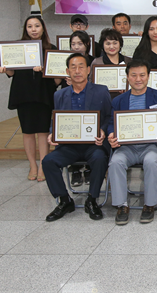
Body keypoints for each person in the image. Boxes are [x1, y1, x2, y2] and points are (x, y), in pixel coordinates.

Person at [41, 53, 111, 221]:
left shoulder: (101, 91)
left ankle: (92, 200)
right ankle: (65, 200)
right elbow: (55, 120)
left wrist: (102, 130)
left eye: (81, 66)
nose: (77, 71)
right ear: (67, 71)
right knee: (48, 161)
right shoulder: (59, 95)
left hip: (93, 145)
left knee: (100, 159)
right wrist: (52, 133)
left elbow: (109, 117)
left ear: (88, 70)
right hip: (69, 146)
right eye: (73, 67)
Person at [108, 60, 157, 225]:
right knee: (115, 162)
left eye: (142, 75)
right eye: (134, 75)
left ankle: (149, 205)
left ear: (148, 76)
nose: (138, 79)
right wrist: (111, 134)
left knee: (152, 162)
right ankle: (122, 205)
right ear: (127, 77)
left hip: (151, 146)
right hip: (127, 147)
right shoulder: (119, 100)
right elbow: (111, 124)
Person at [0, 15, 59, 182]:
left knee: (43, 131)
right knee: (28, 131)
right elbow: (12, 73)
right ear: (26, 29)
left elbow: (57, 79)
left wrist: (44, 69)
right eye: (30, 26)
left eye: (37, 26)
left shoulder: (51, 48)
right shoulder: (17, 47)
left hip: (43, 94)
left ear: (43, 28)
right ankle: (32, 165)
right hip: (23, 93)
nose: (33, 29)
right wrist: (5, 69)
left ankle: (43, 165)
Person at [66, 30, 96, 188]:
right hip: (72, 101)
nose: (76, 46)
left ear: (87, 44)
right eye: (73, 44)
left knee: (90, 133)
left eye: (80, 43)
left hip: (90, 102)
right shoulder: (67, 60)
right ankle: (76, 169)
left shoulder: (93, 61)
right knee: (73, 133)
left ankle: (90, 168)